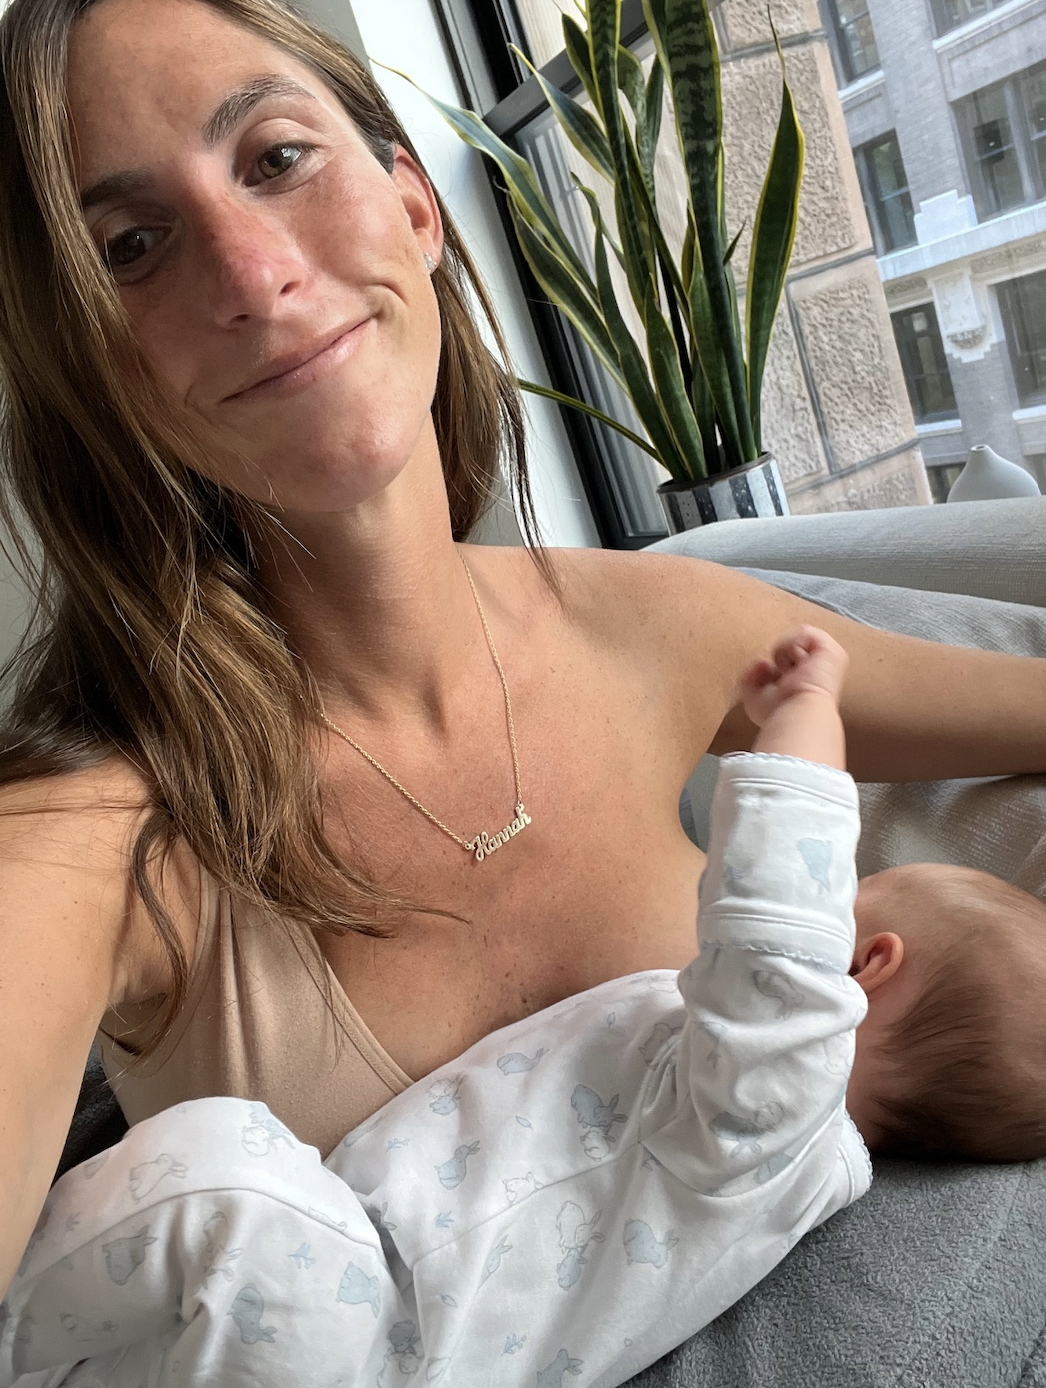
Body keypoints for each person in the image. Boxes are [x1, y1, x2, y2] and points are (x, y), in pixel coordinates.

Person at [1, 0, 1045, 1321]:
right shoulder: (92, 831)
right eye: (133, 246)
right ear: (100, 372)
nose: (251, 271)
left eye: (274, 158)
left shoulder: (663, 623)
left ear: (416, 209)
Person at [3, 625, 1045, 1386]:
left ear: (865, 962)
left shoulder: (775, 1114)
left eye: (847, 889)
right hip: (312, 1323)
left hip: (362, 1325)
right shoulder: (747, 1142)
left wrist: (805, 728)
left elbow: (776, 942)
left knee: (228, 1178)